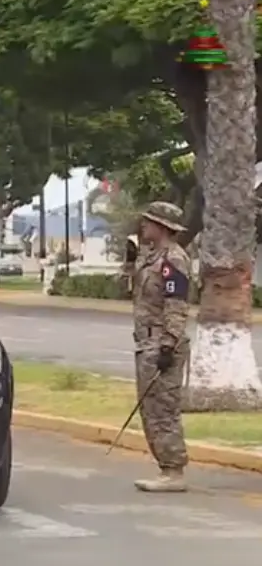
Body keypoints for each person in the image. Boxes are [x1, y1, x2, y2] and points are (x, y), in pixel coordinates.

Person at [130, 201, 191, 493]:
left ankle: (173, 471)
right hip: (146, 342)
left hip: (162, 343)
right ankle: (164, 466)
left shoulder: (174, 260)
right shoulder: (150, 257)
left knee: (163, 409)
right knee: (150, 410)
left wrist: (169, 344)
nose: (143, 226)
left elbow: (176, 306)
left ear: (162, 227)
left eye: (148, 222)